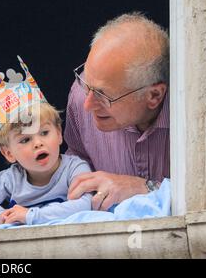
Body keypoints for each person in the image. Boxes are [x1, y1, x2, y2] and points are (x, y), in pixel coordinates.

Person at [0, 61, 92, 225]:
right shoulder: (11, 179)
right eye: (25, 139)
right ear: (8, 153)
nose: (38, 143)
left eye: (44, 132)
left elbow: (85, 204)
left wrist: (30, 215)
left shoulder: (75, 168)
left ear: (58, 134)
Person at [65, 12, 169, 211]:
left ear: (154, 95)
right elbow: (74, 166)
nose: (88, 105)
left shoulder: (198, 113)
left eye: (103, 95)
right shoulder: (79, 97)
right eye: (87, 82)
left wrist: (146, 188)